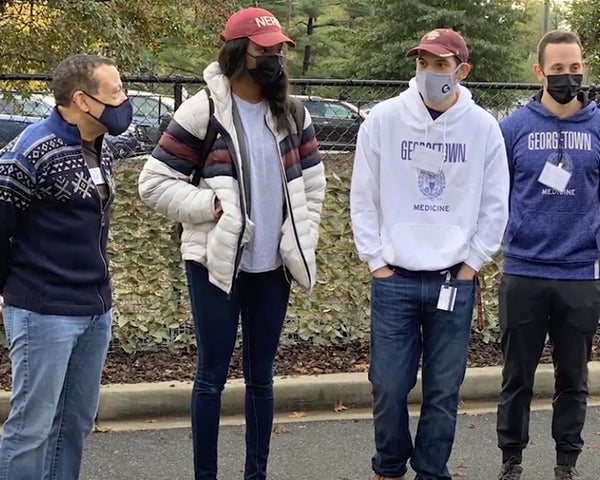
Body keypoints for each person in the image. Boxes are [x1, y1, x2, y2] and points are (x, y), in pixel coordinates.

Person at [138, 7, 326, 480]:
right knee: (211, 377)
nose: (276, 59)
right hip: (215, 265)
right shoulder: (203, 110)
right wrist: (209, 207)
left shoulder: (293, 112)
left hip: (272, 268)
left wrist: (301, 232)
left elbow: (314, 182)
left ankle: (255, 474)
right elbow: (154, 182)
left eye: (281, 51)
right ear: (241, 53)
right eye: (267, 50)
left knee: (261, 378)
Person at [350, 28, 510, 480]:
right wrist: (376, 263)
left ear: (463, 70)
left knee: (443, 389)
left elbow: (496, 203)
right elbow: (364, 196)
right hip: (395, 278)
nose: (430, 72)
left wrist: (470, 265)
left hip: (451, 281)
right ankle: (390, 461)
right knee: (388, 385)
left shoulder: (482, 129)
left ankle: (432, 469)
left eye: (441, 64)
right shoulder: (383, 120)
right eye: (423, 62)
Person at [0, 54, 131, 480]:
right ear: (82, 99)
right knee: (31, 428)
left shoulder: (101, 147)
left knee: (73, 424)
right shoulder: (29, 152)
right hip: (43, 311)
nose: (125, 100)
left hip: (94, 309)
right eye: (115, 92)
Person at [496, 30, 600, 480]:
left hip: (580, 274)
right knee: (516, 378)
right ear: (539, 71)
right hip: (524, 271)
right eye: (557, 69)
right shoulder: (512, 129)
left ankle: (566, 464)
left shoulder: (598, 127)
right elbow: (492, 197)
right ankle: (511, 461)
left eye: (574, 67)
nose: (567, 76)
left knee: (573, 380)